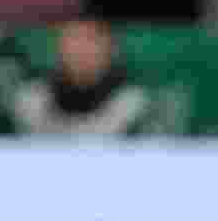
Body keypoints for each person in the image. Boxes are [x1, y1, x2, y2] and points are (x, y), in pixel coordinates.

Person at [11, 16, 166, 134]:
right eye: (74, 37)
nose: (82, 49)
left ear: (111, 46)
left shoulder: (136, 103)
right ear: (59, 43)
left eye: (92, 38)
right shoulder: (30, 100)